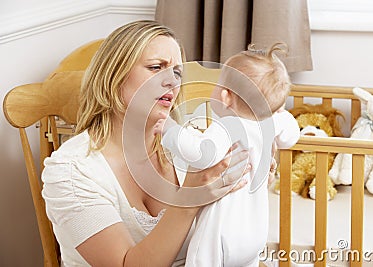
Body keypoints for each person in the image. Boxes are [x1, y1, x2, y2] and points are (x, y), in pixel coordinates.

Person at [41, 20, 253, 266]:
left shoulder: (189, 145)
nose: (173, 82)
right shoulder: (71, 171)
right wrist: (188, 200)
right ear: (113, 75)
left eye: (178, 73)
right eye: (155, 67)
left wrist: (245, 177)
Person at [154, 44, 300, 266]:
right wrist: (278, 112)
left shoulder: (227, 127)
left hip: (222, 232)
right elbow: (291, 137)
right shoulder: (271, 123)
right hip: (255, 231)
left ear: (225, 96)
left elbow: (201, 154)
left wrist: (170, 129)